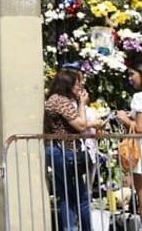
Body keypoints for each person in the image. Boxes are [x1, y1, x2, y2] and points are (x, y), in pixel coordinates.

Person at [44, 67, 105, 231]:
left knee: (66, 195)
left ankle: (69, 227)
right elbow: (81, 125)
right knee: (82, 197)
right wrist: (82, 104)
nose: (81, 87)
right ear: (68, 84)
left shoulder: (54, 100)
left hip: (58, 151)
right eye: (78, 83)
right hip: (65, 152)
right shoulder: (61, 101)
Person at [115, 58, 142, 210]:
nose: (130, 78)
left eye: (132, 74)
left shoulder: (139, 97)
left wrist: (124, 119)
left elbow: (139, 128)